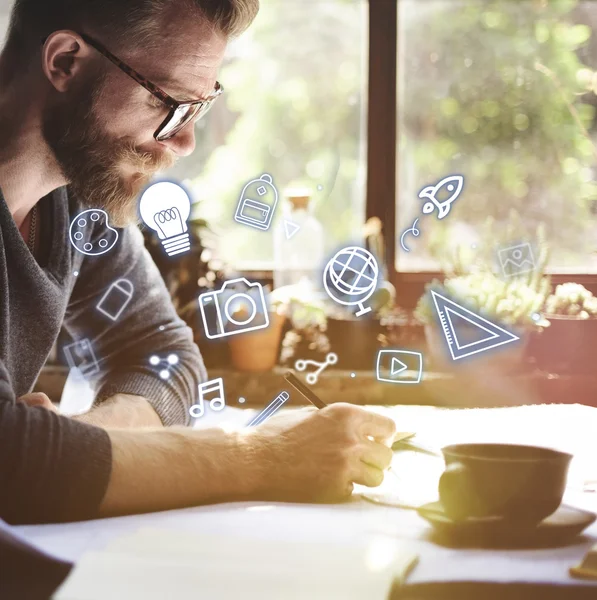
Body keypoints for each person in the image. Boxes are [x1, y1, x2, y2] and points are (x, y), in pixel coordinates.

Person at [0, 0, 396, 526]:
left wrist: (73, 448)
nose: (184, 141)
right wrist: (265, 457)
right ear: (66, 62)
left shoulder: (78, 204)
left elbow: (164, 355)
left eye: (199, 109)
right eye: (169, 102)